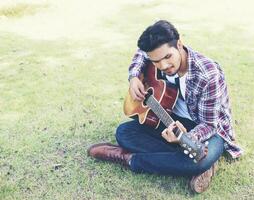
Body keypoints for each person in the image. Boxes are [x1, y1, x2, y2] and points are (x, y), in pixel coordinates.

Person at [87, 20, 243, 193]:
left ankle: (128, 158)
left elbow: (209, 125)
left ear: (179, 44)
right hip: (168, 118)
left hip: (208, 130)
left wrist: (186, 138)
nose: (163, 66)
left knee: (199, 160)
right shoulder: (155, 53)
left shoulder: (207, 74)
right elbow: (141, 53)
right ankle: (183, 160)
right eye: (155, 61)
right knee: (124, 132)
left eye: (168, 57)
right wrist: (134, 77)